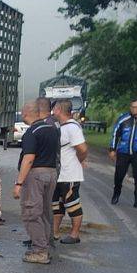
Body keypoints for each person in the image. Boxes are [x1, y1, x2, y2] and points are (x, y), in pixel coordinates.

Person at [14, 99, 61, 264]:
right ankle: (46, 244)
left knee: (31, 212)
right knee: (45, 212)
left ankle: (39, 250)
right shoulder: (52, 129)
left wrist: (19, 183)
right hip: (51, 173)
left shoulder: (32, 132)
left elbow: (29, 158)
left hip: (36, 175)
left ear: (25, 112)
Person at [51, 100, 88, 244]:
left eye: (54, 108)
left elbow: (83, 149)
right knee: (57, 205)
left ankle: (74, 234)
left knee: (72, 204)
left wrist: (80, 160)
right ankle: (54, 232)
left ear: (59, 109)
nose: (52, 110)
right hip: (59, 175)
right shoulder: (61, 126)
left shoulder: (72, 127)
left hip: (69, 174)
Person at [110, 98, 137, 206]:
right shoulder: (124, 118)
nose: (133, 109)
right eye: (132, 107)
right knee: (119, 175)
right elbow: (115, 133)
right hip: (123, 152)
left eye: (135, 107)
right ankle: (116, 194)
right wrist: (112, 149)